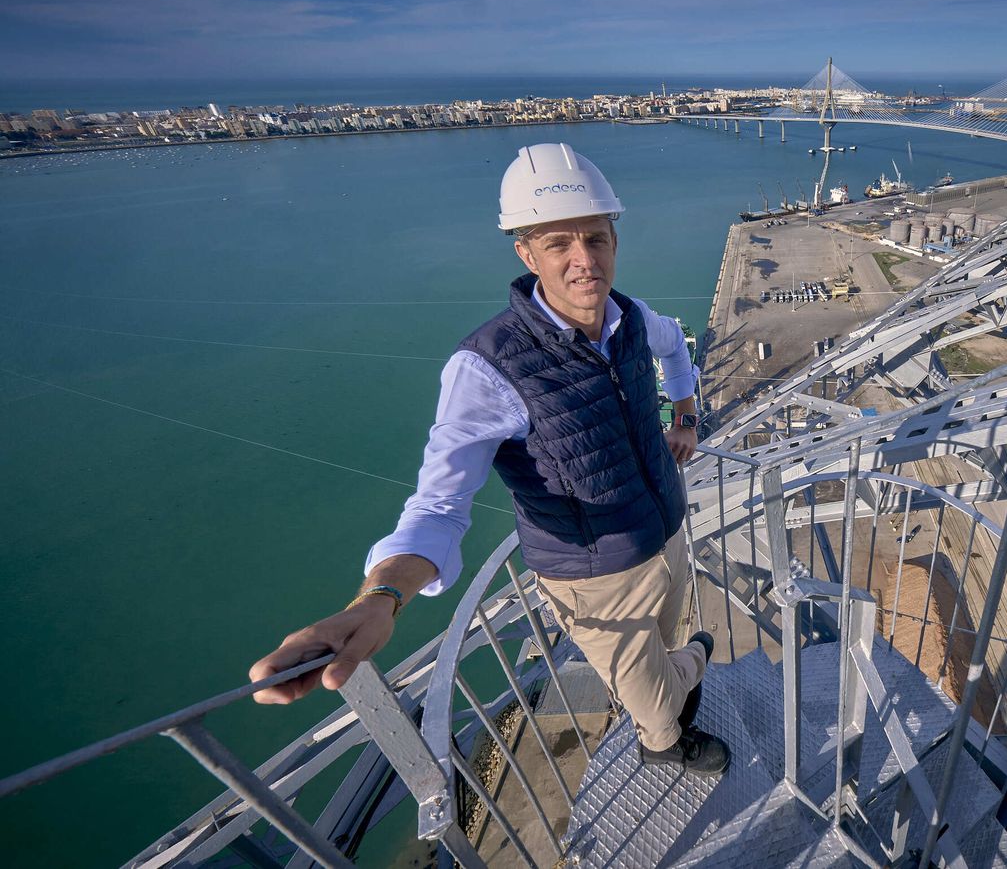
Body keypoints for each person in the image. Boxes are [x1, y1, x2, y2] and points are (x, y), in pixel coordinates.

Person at [249, 142, 729, 777]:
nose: (584, 261)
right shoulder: (487, 368)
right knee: (653, 700)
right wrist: (380, 598)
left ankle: (679, 666)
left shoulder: (636, 319)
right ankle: (668, 734)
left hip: (667, 533)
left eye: (596, 238)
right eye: (559, 244)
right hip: (594, 581)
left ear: (615, 239)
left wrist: (686, 418)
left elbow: (677, 356)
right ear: (526, 254)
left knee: (659, 651)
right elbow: (439, 507)